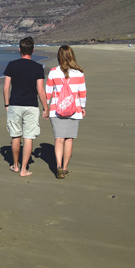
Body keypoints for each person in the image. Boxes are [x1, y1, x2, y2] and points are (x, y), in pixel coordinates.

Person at [3, 37, 49, 177]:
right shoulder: (37, 67)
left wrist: (6, 104)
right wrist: (46, 108)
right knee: (28, 137)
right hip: (31, 105)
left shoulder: (12, 65)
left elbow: (6, 87)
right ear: (33, 50)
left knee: (15, 136)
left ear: (20, 50)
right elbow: (40, 90)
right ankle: (24, 169)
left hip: (15, 104)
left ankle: (15, 166)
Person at [46, 45, 86, 179]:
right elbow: (82, 93)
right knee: (69, 139)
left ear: (59, 57)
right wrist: (83, 107)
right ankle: (65, 167)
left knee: (59, 139)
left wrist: (46, 108)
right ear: (72, 56)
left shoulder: (53, 72)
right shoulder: (79, 73)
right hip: (74, 110)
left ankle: (57, 166)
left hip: (56, 110)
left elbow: (48, 93)